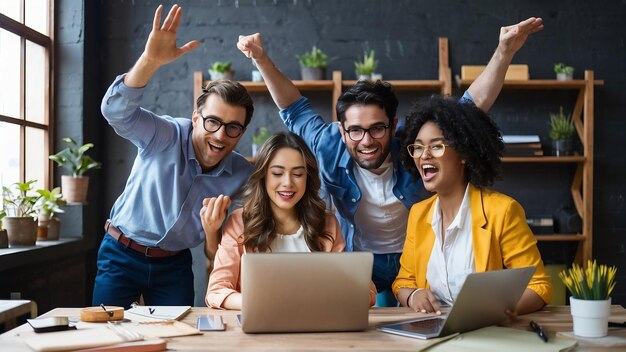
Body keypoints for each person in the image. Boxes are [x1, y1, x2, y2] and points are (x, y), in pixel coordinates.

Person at [236, 17, 544, 305]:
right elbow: (293, 108)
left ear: (392, 125)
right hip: (360, 257)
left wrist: (503, 52)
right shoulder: (328, 143)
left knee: (414, 320)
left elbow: (467, 111)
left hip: (414, 257)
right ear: (342, 131)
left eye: (377, 128)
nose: (367, 140)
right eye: (355, 130)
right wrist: (260, 58)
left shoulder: (413, 145)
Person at [93, 4, 254, 308]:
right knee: (105, 336)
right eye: (213, 122)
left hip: (175, 265)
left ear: (242, 133)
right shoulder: (165, 134)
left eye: (233, 128)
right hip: (121, 253)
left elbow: (229, 244)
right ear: (195, 118)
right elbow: (114, 111)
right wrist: (150, 61)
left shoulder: (241, 174)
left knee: (178, 338)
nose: (220, 135)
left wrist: (212, 231)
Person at [393, 95, 552, 315]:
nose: (424, 155)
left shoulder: (502, 211)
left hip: (486, 331)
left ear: (463, 154)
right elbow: (403, 282)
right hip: (429, 333)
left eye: (436, 147)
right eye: (418, 148)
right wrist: (413, 295)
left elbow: (539, 286)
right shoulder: (418, 215)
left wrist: (495, 310)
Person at [206, 132, 376, 309]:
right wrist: (261, 303)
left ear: (307, 178)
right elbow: (216, 291)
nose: (287, 183)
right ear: (263, 176)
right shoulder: (240, 222)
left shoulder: (327, 223)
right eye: (277, 173)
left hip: (315, 328)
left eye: (298, 174)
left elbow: (364, 291)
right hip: (260, 326)